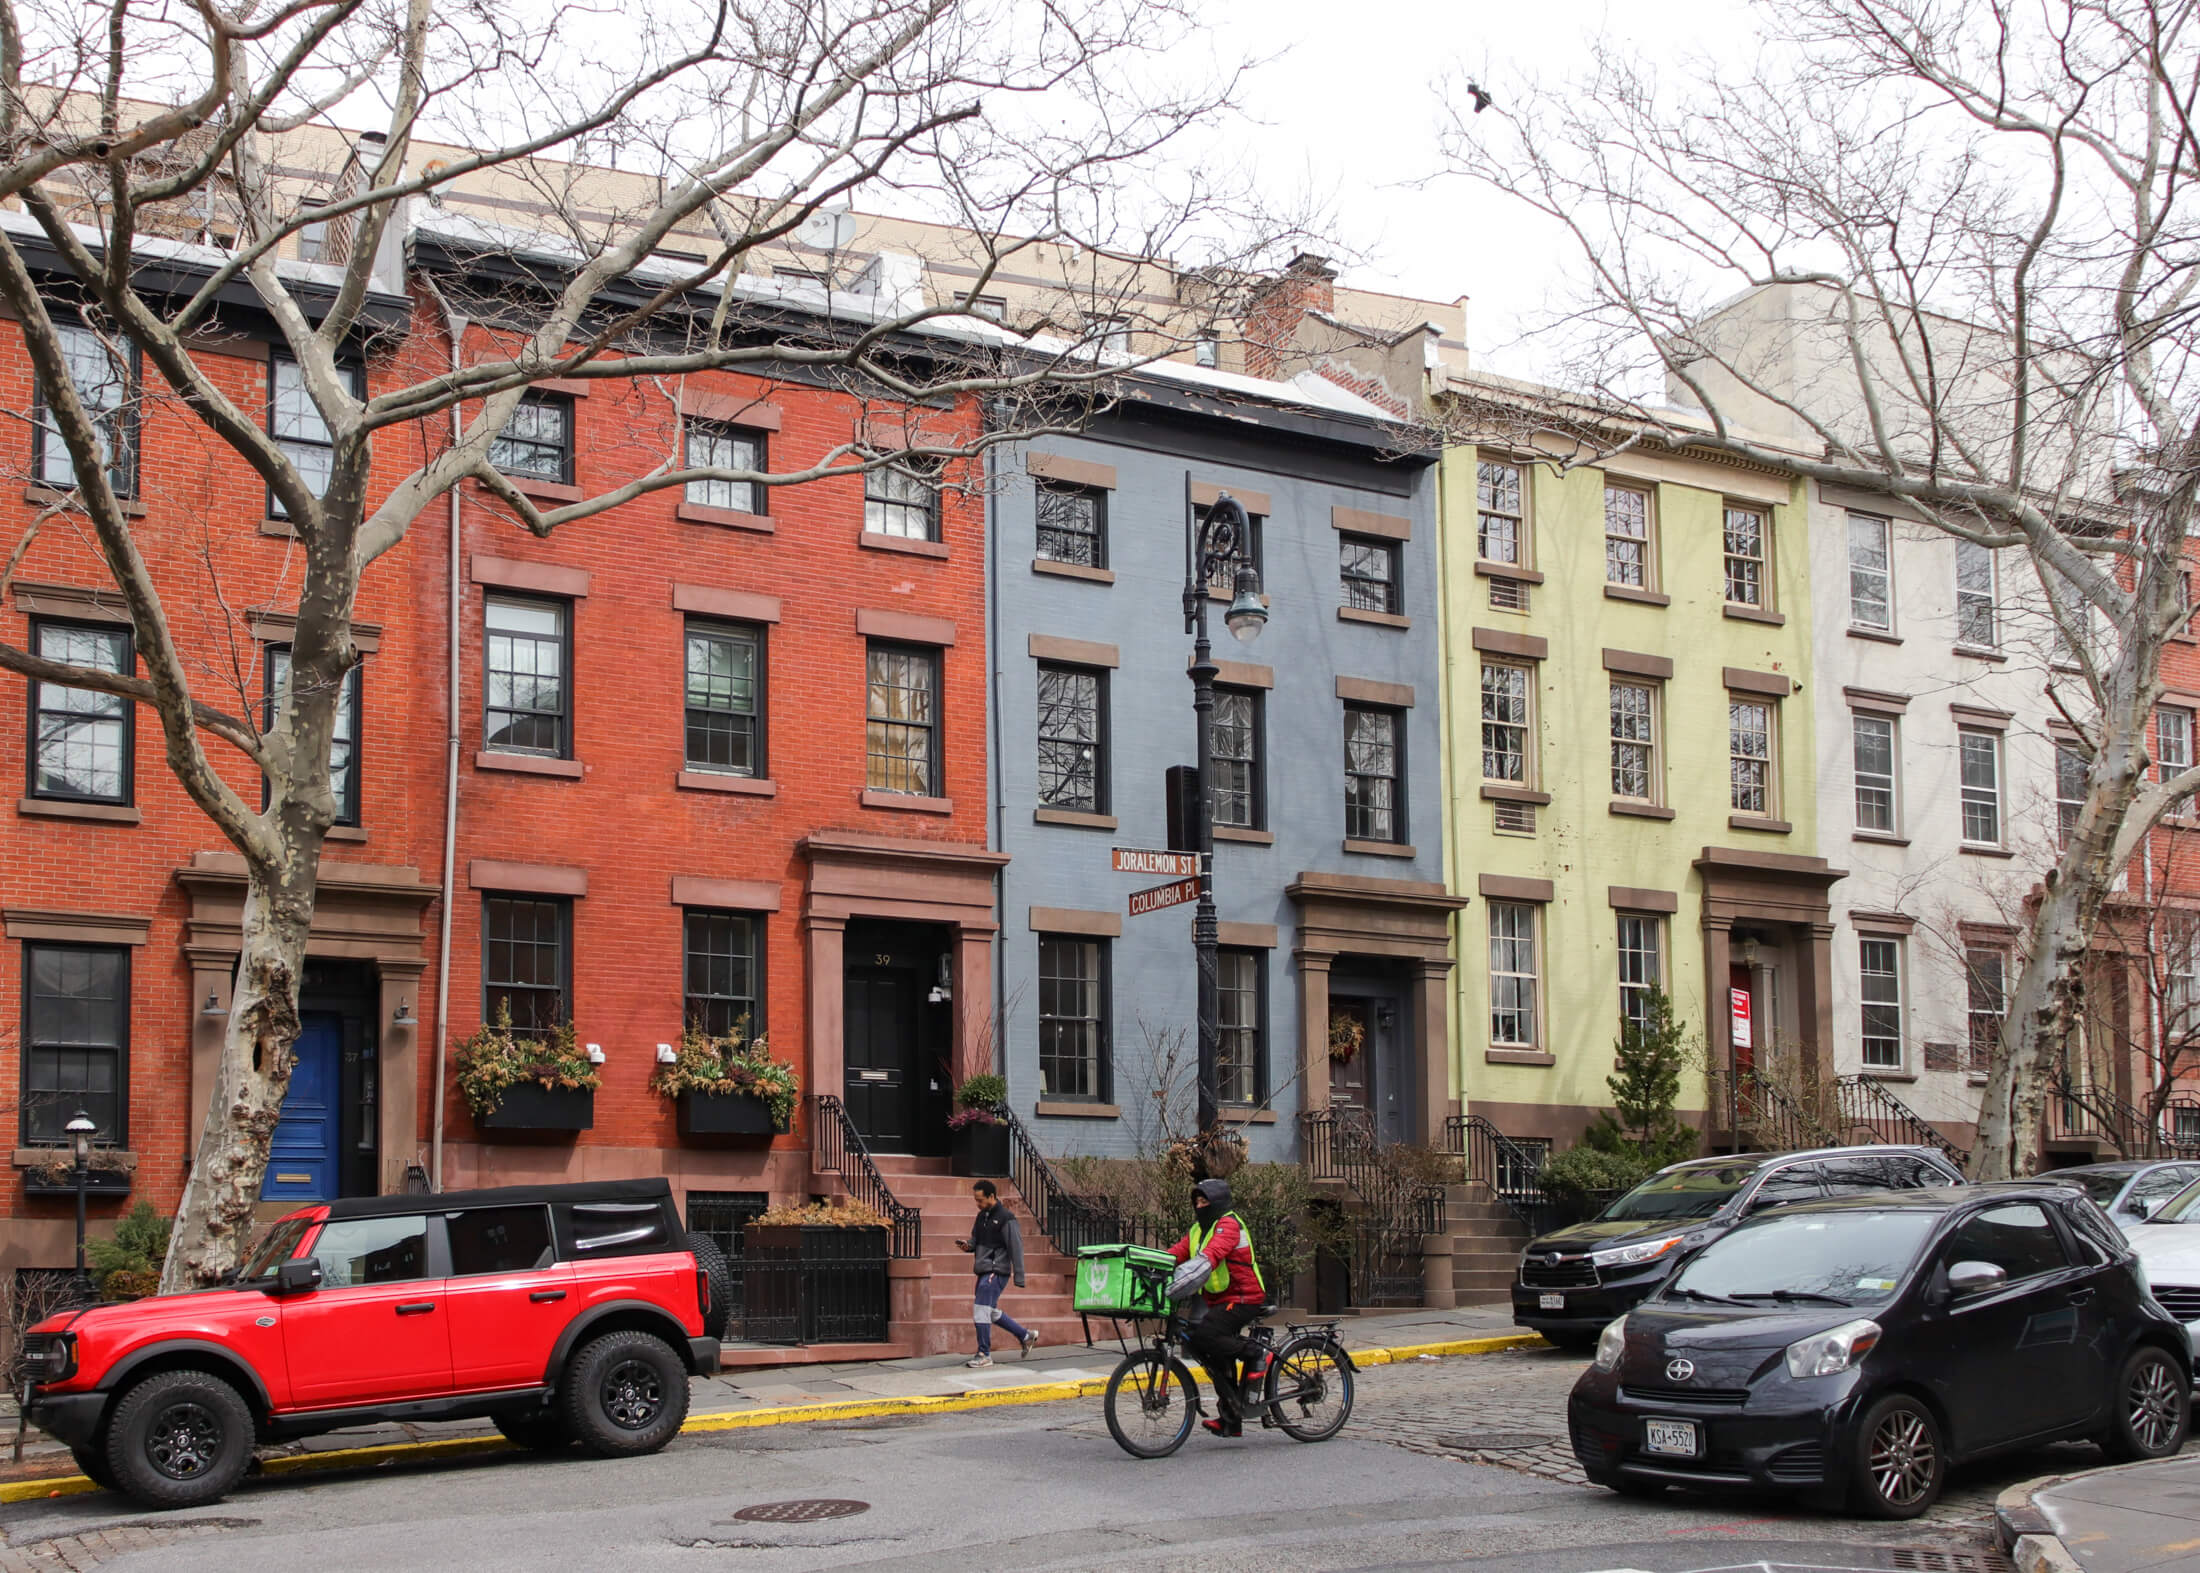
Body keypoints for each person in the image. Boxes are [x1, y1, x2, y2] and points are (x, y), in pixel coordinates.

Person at [1167, 1176, 1269, 1438]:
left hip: (1244, 1297)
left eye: (1205, 1200)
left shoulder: (1228, 1225)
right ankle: (1231, 1419)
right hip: (1221, 1301)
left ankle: (1256, 1353)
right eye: (1197, 1201)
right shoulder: (1197, 1230)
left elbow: (1210, 1257)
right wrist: (1148, 1266)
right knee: (1212, 1353)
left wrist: (1177, 1285)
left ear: (1219, 1202)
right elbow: (1174, 1254)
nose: (1200, 1206)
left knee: (1207, 1336)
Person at [956, 1179, 1037, 1368]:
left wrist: (1019, 1276)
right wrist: (968, 1245)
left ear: (992, 1196)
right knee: (988, 1312)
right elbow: (976, 1239)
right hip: (984, 1270)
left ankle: (984, 1354)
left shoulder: (1006, 1218)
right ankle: (1026, 1336)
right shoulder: (981, 1217)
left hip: (996, 1271)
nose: (978, 1204)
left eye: (980, 1200)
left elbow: (1016, 1246)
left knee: (980, 1310)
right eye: (976, 1200)